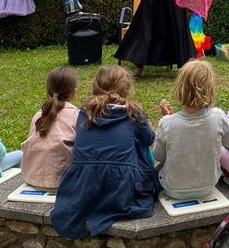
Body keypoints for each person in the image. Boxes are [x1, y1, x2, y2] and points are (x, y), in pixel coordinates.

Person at [50, 66, 159, 238]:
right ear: (127, 89)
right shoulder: (133, 113)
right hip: (121, 187)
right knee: (140, 147)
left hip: (84, 184)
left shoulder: (83, 113)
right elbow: (149, 139)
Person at [155, 60, 229, 199]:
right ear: (210, 89)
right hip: (208, 186)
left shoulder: (167, 123)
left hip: (173, 189)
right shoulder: (218, 116)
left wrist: (169, 120)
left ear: (180, 88)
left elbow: (158, 156)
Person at [20, 67, 79, 189]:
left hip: (32, 178)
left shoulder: (39, 114)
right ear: (73, 92)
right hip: (63, 182)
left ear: (49, 91)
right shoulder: (76, 115)